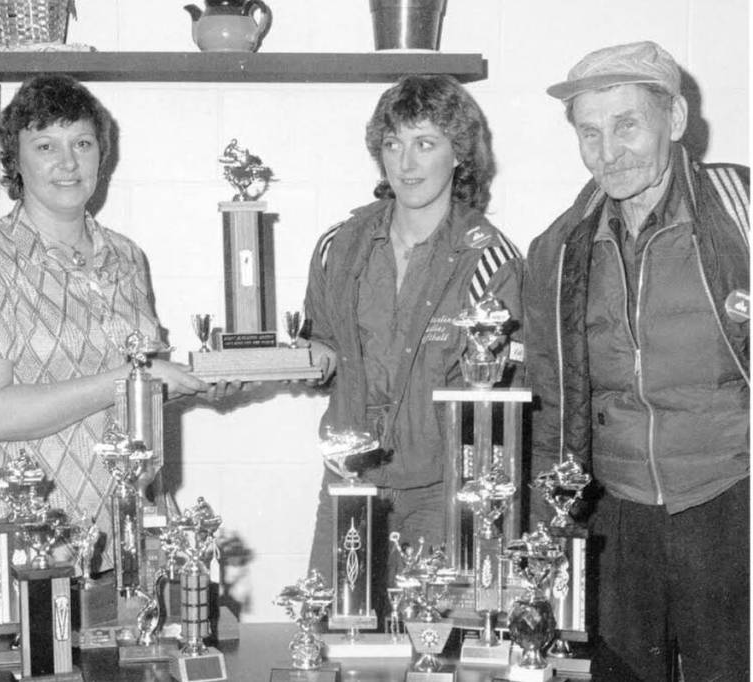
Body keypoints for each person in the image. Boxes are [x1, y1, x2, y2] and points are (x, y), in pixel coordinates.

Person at [524, 41, 749, 681]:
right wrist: (550, 532)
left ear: (674, 120)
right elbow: (548, 406)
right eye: (589, 133)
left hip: (730, 503)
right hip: (615, 517)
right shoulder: (558, 250)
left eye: (627, 125)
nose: (608, 151)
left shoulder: (743, 213)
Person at [0, 74, 209, 624]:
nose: (67, 163)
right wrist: (131, 377)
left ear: (101, 156)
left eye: (82, 144)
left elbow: (135, 405)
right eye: (45, 146)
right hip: (33, 546)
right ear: (15, 162)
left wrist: (197, 380)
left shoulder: (126, 256)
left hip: (130, 540)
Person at [303, 75, 524, 616]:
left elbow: (502, 396)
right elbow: (322, 344)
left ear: (459, 156)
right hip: (349, 480)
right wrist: (294, 360)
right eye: (393, 143)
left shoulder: (490, 259)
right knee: (332, 640)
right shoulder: (339, 245)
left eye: (425, 143)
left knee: (434, 653)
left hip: (441, 492)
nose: (406, 162)